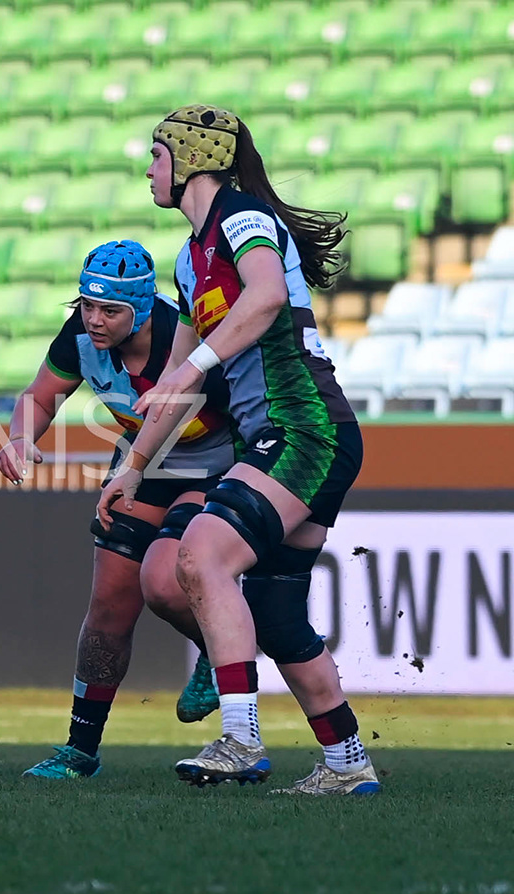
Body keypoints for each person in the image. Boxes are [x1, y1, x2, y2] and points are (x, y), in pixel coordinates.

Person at [99, 104, 379, 795]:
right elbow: (177, 378)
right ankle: (348, 763)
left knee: (201, 554)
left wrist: (194, 368)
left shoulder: (242, 218)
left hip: (305, 426)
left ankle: (241, 739)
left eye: (157, 155)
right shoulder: (188, 257)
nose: (148, 168)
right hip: (300, 434)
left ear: (192, 158)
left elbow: (265, 295)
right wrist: (133, 467)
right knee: (277, 616)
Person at [0, 240, 230, 780]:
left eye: (110, 310)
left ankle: (221, 652)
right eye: (87, 305)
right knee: (108, 606)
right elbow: (40, 396)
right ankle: (80, 750)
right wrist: (20, 437)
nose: (94, 320)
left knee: (167, 584)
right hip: (141, 464)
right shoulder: (81, 336)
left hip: (214, 460)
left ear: (142, 309)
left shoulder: (183, 337)